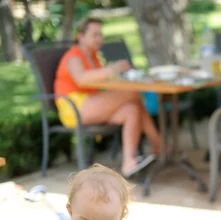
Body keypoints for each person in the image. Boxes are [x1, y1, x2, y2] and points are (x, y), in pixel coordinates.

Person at [54, 17, 160, 177]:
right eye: (95, 35)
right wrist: (112, 69)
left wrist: (120, 75)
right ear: (80, 37)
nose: (100, 39)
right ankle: (158, 143)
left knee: (131, 109)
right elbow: (81, 78)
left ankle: (129, 163)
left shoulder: (94, 57)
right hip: (74, 107)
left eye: (100, 35)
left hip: (91, 103)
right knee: (132, 94)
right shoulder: (73, 56)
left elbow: (103, 83)